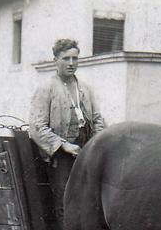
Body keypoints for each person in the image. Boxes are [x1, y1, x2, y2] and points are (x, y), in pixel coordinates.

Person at [28, 38, 106, 217]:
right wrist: (63, 145)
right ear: (55, 60)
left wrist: (97, 142)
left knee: (91, 201)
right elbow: (37, 126)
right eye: (66, 58)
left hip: (87, 150)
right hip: (61, 156)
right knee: (66, 204)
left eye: (75, 58)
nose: (71, 63)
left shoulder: (85, 88)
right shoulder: (47, 88)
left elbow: (97, 119)